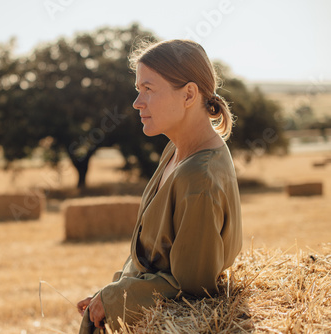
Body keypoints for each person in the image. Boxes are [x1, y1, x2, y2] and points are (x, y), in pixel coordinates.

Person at [76, 39, 243, 333]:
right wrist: (108, 294)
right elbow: (151, 256)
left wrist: (116, 298)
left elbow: (193, 289)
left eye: (148, 90)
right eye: (138, 90)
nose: (137, 102)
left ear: (189, 94)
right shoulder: (175, 149)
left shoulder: (198, 177)